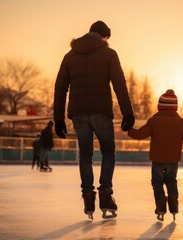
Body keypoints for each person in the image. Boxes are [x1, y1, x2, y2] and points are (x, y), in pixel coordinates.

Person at [53, 21, 134, 220]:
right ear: (104, 37)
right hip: (101, 112)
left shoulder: (70, 56)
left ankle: (88, 196)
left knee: (85, 155)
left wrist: (58, 118)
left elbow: (60, 88)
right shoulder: (109, 54)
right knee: (108, 152)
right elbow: (119, 85)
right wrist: (128, 113)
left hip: (79, 113)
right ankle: (105, 194)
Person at [127, 89, 183, 221]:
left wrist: (129, 129)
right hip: (173, 161)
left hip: (158, 160)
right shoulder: (182, 123)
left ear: (160, 106)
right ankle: (173, 203)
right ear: (175, 107)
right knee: (171, 181)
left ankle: (161, 205)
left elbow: (139, 134)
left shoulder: (154, 121)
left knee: (157, 182)